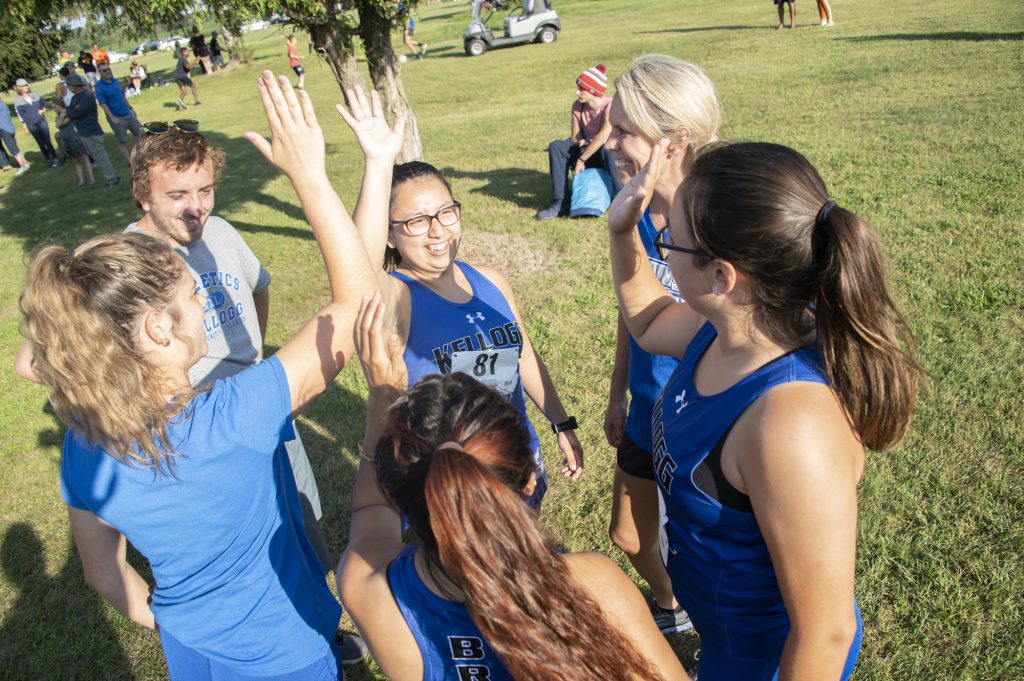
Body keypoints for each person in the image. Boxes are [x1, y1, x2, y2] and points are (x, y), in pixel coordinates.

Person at [16, 70, 374, 680]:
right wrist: (311, 177)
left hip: (192, 654)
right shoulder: (237, 416)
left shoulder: (85, 448)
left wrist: (174, 622)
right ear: (160, 328)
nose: (204, 302)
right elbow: (358, 302)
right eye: (191, 297)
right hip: (287, 655)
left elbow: (104, 574)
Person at [607, 140, 923, 679]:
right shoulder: (723, 329)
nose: (663, 252)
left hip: (764, 661)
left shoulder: (790, 426)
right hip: (725, 636)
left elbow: (825, 632)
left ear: (722, 276)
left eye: (670, 241)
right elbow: (649, 320)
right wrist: (621, 233)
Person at [337, 295, 691, 681]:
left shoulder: (373, 595)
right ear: (530, 481)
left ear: (404, 500)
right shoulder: (596, 586)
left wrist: (383, 398)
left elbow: (369, 512)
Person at [340, 87, 584, 508]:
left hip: (516, 464)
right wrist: (378, 164)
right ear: (389, 234)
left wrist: (561, 423)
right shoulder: (397, 297)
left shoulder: (491, 281)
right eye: (416, 221)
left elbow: (523, 357)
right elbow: (356, 270)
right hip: (451, 490)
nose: (437, 230)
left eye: (445, 213)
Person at [122, 120, 334, 574]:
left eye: (205, 190)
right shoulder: (124, 260)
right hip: (201, 429)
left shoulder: (220, 232)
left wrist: (253, 357)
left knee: (303, 527)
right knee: (247, 549)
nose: (196, 208)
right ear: (143, 195)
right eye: (177, 195)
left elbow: (258, 287)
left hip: (264, 402)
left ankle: (319, 603)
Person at [602, 54, 722, 636]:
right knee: (627, 535)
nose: (610, 143)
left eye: (624, 130)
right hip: (648, 408)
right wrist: (617, 392)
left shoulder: (722, 220)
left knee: (711, 553)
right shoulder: (639, 209)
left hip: (709, 422)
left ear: (673, 140)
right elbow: (637, 314)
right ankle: (673, 605)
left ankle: (713, 624)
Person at [535, 64, 615, 220]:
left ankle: (619, 196)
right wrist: (578, 141)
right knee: (557, 147)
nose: (577, 92)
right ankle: (560, 202)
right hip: (587, 148)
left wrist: (581, 159)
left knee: (606, 147)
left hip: (605, 154)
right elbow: (574, 135)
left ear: (593, 91)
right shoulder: (577, 106)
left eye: (581, 89)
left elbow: (602, 137)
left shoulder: (611, 105)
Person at [64, 73, 119, 186]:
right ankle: (111, 176)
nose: (68, 88)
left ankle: (112, 178)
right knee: (96, 156)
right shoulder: (75, 98)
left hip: (92, 131)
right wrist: (73, 111)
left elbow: (76, 113)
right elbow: (69, 111)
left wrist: (73, 111)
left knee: (100, 156)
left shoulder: (86, 97)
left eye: (69, 85)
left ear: (75, 85)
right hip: (84, 132)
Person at [95, 63, 143, 162]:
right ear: (99, 72)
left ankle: (141, 154)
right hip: (116, 117)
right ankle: (130, 162)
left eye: (108, 69)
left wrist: (130, 108)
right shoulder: (99, 86)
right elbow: (102, 103)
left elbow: (122, 96)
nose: (107, 71)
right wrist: (112, 117)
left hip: (127, 112)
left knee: (141, 132)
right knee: (122, 141)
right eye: (104, 70)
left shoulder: (115, 81)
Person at [12, 78, 61, 168]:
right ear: (19, 88)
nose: (25, 87)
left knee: (47, 141)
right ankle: (49, 159)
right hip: (31, 124)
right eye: (23, 86)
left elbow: (44, 103)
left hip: (41, 121)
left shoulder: (35, 95)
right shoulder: (17, 100)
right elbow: (20, 115)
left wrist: (43, 109)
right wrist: (25, 127)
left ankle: (55, 159)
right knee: (40, 143)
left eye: (26, 85)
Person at [51, 99, 94, 186]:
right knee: (76, 160)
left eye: (55, 107)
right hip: (66, 140)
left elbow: (62, 123)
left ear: (60, 106)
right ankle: (81, 180)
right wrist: (61, 116)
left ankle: (91, 178)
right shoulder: (58, 116)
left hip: (75, 139)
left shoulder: (70, 114)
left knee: (85, 158)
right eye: (53, 108)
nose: (54, 109)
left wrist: (63, 116)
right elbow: (57, 125)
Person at [0, 95, 31, 175]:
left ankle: (22, 166)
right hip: (9, 128)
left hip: (5, 130)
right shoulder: (2, 104)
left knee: (13, 150)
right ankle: (24, 164)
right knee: (15, 148)